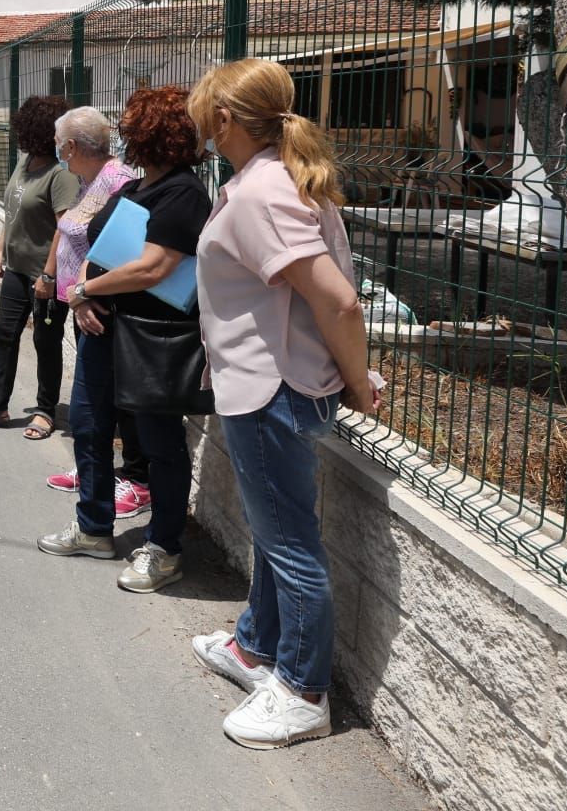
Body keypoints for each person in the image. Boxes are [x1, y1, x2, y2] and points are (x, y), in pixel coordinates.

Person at [185, 59, 382, 749]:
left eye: (202, 110)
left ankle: (302, 691)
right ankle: (254, 648)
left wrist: (359, 381)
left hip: (270, 392)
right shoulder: (271, 180)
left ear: (225, 120)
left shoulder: (262, 191)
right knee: (275, 533)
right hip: (268, 387)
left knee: (291, 545)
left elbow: (338, 300)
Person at [39, 86, 210, 596]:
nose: (123, 134)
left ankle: (164, 548)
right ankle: (93, 529)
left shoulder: (183, 192)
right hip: (104, 330)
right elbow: (92, 245)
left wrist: (85, 289)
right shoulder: (132, 189)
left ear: (152, 134)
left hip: (151, 340)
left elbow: (155, 268)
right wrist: (84, 297)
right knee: (90, 427)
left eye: (131, 126)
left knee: (159, 443)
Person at [39, 106, 154, 518]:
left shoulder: (117, 182)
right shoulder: (88, 181)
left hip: (103, 307)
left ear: (71, 145)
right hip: (82, 303)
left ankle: (137, 481)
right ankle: (96, 470)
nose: (57, 152)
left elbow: (119, 251)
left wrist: (86, 294)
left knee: (119, 399)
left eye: (59, 146)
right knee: (96, 400)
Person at [0, 95, 79, 436]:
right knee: (5, 335)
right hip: (15, 269)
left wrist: (49, 275)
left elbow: (64, 228)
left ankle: (45, 410)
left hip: (44, 275)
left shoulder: (61, 174)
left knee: (46, 341)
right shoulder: (26, 163)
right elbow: (11, 207)